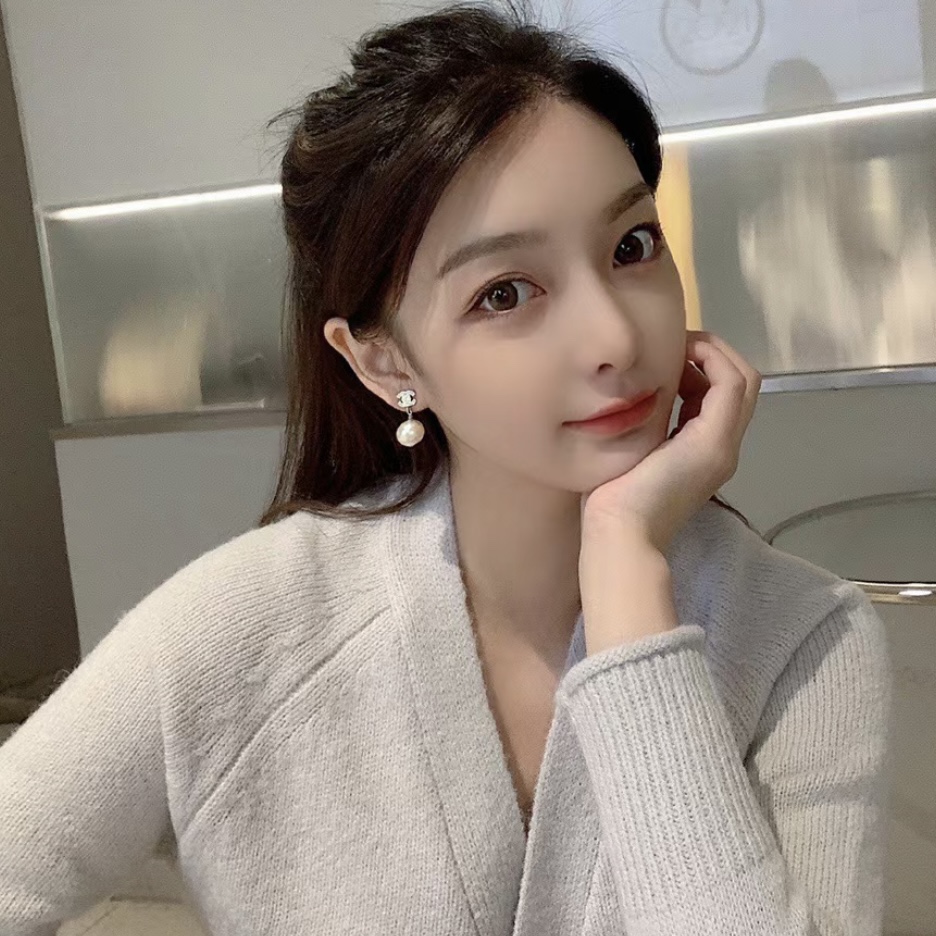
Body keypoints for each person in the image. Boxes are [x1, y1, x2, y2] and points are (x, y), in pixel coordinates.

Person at [0, 2, 892, 934]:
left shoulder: (803, 641)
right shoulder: (247, 628)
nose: (616, 336)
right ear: (383, 360)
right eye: (505, 293)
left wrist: (627, 575)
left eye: (632, 246)